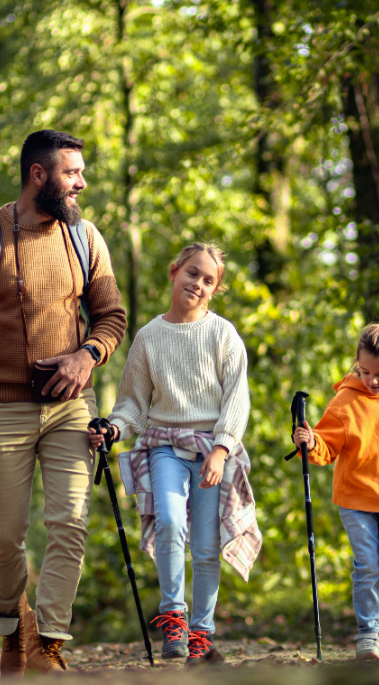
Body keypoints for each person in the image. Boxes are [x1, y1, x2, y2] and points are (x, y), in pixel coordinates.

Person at [0, 130, 127, 676]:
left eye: (81, 173)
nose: (82, 182)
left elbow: (112, 317)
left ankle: (50, 649)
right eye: (72, 173)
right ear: (39, 175)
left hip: (69, 406)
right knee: (5, 539)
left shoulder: (86, 238)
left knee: (70, 523)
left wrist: (87, 357)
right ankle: (11, 632)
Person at [88, 242, 259, 664]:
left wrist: (222, 449)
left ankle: (202, 631)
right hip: (164, 445)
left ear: (215, 291)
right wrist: (113, 427)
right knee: (167, 519)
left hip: (211, 450)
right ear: (173, 271)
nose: (197, 284)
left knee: (204, 545)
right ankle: (174, 618)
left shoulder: (223, 335)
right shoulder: (148, 337)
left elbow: (237, 399)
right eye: (192, 273)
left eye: (208, 280)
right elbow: (132, 403)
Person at [292, 321, 379, 661]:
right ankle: (368, 632)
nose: (372, 380)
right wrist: (310, 442)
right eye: (365, 371)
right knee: (367, 564)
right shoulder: (345, 401)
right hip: (356, 498)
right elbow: (326, 444)